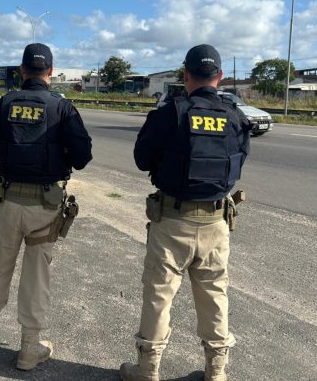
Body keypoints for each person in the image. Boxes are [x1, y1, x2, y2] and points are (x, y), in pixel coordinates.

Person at [119, 44, 251, 381]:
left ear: (186, 75)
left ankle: (147, 370)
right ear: (220, 77)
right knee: (215, 295)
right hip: (216, 222)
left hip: (172, 221)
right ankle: (216, 371)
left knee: (159, 294)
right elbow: (237, 164)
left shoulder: (171, 113)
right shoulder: (235, 117)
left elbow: (142, 159)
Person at [0, 43, 92, 371]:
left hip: (8, 202)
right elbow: (82, 157)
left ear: (22, 71)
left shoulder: (3, 104)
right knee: (36, 276)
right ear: (51, 71)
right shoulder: (62, 108)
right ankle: (29, 349)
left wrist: (6, 149)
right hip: (45, 207)